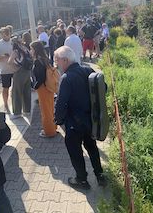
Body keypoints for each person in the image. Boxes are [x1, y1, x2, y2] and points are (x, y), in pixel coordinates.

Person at [54, 46, 106, 189]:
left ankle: (82, 180)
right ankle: (100, 175)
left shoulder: (66, 78)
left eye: (57, 60)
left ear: (65, 60)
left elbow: (60, 103)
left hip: (74, 124)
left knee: (75, 151)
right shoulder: (88, 70)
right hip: (91, 121)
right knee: (92, 147)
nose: (56, 64)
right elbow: (104, 88)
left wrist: (58, 120)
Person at [30, 41, 57, 137]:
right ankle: (53, 127)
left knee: (45, 111)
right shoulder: (46, 58)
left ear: (35, 50)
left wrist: (34, 86)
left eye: (31, 49)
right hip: (49, 87)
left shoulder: (38, 61)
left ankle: (49, 131)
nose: (30, 51)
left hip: (43, 88)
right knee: (51, 108)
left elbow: (40, 78)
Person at [8, 36, 31, 119]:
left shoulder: (16, 51)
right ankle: (27, 110)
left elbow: (10, 62)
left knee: (16, 92)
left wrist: (16, 68)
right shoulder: (25, 48)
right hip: (27, 72)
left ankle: (17, 112)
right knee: (26, 91)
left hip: (19, 73)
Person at [0, 26, 15, 113]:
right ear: (1, 35)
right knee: (6, 88)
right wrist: (3, 56)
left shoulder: (13, 42)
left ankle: (16, 103)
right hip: (5, 70)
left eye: (8, 34)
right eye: (4, 35)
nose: (6, 36)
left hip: (15, 68)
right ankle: (6, 104)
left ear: (10, 34)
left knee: (16, 87)